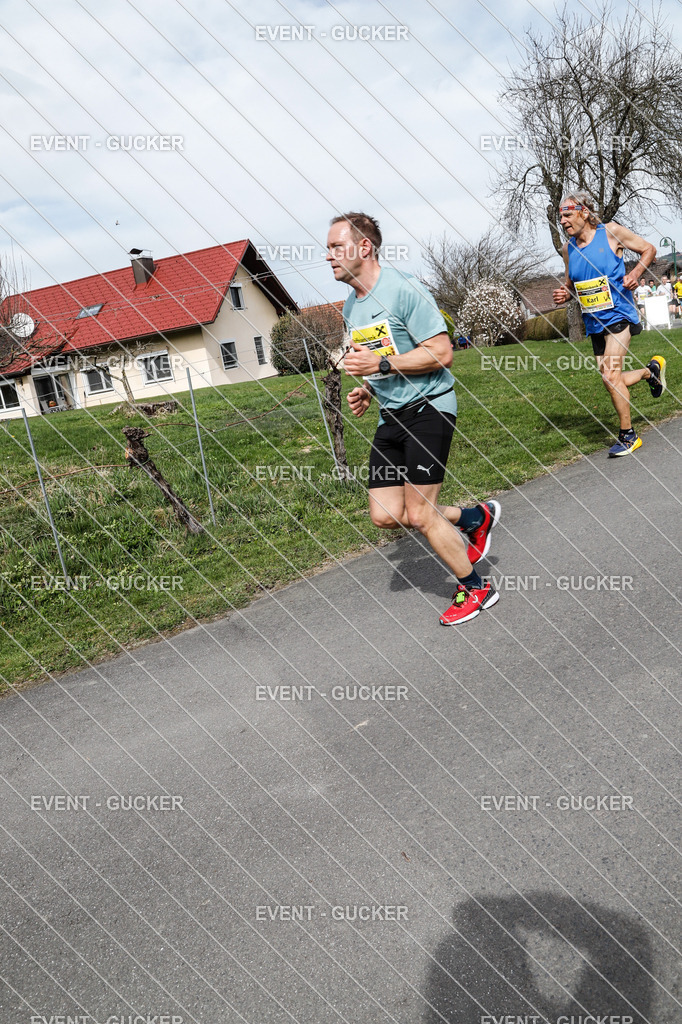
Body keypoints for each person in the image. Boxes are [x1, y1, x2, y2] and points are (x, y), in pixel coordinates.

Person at [327, 212, 500, 626]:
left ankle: (477, 588)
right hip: (392, 415)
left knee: (421, 513)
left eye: (336, 246)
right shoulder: (352, 305)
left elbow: (442, 353)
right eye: (329, 247)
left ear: (364, 247)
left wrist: (382, 367)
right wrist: (368, 387)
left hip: (430, 408)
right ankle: (475, 517)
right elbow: (381, 358)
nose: (328, 254)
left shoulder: (403, 290)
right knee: (385, 515)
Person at [552, 193, 666, 457]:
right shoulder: (568, 249)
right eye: (560, 217)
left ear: (583, 212)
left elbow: (649, 249)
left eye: (567, 215)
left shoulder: (611, 232)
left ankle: (629, 436)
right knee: (609, 379)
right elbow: (571, 285)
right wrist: (564, 294)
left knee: (611, 376)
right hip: (594, 322)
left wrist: (635, 274)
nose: (563, 221)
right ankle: (651, 372)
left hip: (619, 315)